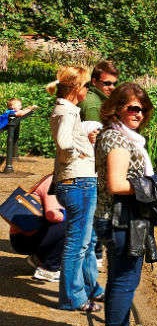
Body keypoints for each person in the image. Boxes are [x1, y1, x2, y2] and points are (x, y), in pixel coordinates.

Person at [95, 82, 155, 326]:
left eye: (143, 109)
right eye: (133, 108)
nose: (139, 113)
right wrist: (152, 187)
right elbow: (117, 184)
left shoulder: (116, 135)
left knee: (118, 280)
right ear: (117, 107)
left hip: (115, 218)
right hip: (121, 220)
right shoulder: (118, 140)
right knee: (124, 282)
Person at [47, 66, 103, 313]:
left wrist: (84, 138)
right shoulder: (66, 111)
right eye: (86, 86)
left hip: (77, 180)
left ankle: (85, 290)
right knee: (77, 244)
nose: (88, 90)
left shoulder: (68, 110)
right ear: (75, 88)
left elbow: (69, 138)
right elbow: (63, 142)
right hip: (77, 181)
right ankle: (72, 298)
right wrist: (80, 151)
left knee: (83, 242)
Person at [79, 61, 117, 265]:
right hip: (92, 167)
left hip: (89, 166)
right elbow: (93, 139)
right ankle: (95, 255)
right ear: (94, 81)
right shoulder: (94, 104)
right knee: (95, 212)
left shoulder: (96, 99)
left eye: (114, 83)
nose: (112, 87)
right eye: (107, 83)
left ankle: (95, 253)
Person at [8, 174, 67, 282]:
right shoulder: (53, 181)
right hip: (24, 237)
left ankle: (39, 258)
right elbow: (53, 215)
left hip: (28, 233)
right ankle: (48, 269)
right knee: (72, 224)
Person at [1, 98, 39, 173]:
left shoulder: (11, 111)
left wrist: (28, 108)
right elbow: (21, 113)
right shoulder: (11, 112)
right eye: (19, 105)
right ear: (12, 107)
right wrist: (31, 108)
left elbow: (22, 111)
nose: (21, 106)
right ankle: (8, 166)